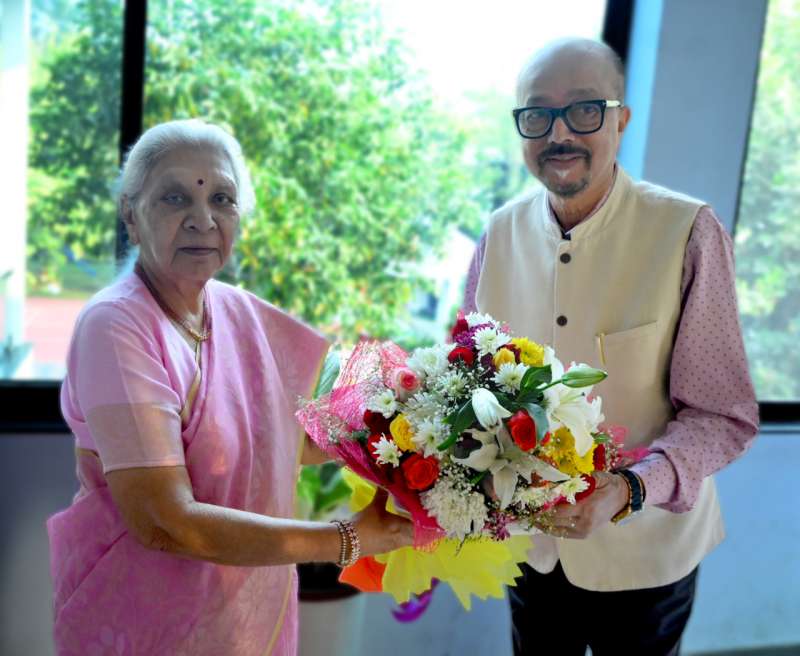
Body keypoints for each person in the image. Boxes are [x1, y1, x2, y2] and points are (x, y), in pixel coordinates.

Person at [47, 119, 413, 656]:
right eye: (175, 197)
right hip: (141, 621)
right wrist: (348, 540)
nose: (203, 219)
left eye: (222, 198)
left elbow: (291, 442)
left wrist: (411, 425)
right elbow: (165, 523)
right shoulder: (116, 325)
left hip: (241, 614)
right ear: (130, 214)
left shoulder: (237, 312)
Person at [461, 38, 759, 655]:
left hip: (648, 555)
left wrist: (628, 489)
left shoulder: (686, 231)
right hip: (532, 551)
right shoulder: (498, 235)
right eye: (537, 113)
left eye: (584, 109)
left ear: (621, 120)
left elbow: (722, 416)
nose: (559, 133)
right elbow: (467, 383)